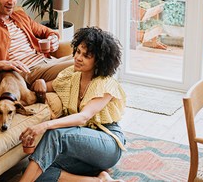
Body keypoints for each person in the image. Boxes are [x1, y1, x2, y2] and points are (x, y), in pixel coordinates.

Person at [19, 27, 126, 182]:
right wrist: (40, 82)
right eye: (78, 52)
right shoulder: (71, 76)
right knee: (37, 168)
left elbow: (83, 117)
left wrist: (44, 125)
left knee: (54, 134)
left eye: (86, 55)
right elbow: (48, 86)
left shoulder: (106, 84)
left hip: (108, 144)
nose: (78, 57)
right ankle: (100, 180)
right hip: (83, 149)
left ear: (99, 60)